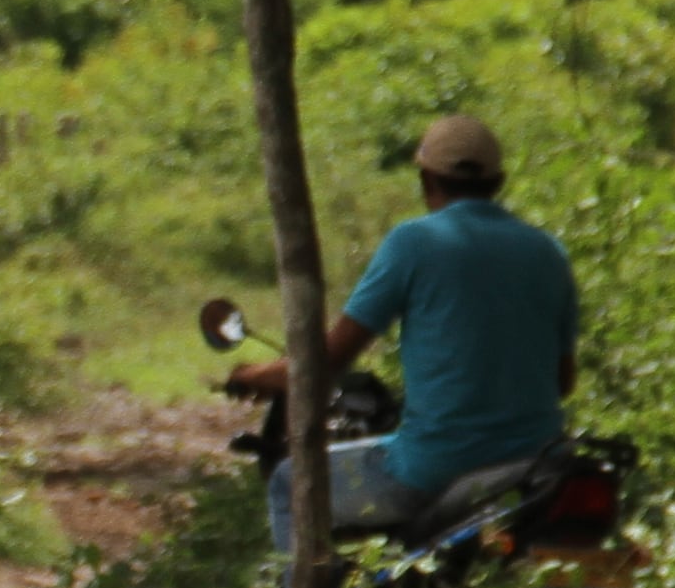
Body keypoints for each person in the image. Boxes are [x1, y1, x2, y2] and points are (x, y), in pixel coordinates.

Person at [220, 113, 581, 549]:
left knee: (286, 483)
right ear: (499, 181)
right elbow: (562, 383)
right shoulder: (549, 254)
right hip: (540, 463)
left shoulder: (414, 242)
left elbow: (329, 362)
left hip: (436, 468)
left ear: (426, 179)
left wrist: (255, 376)